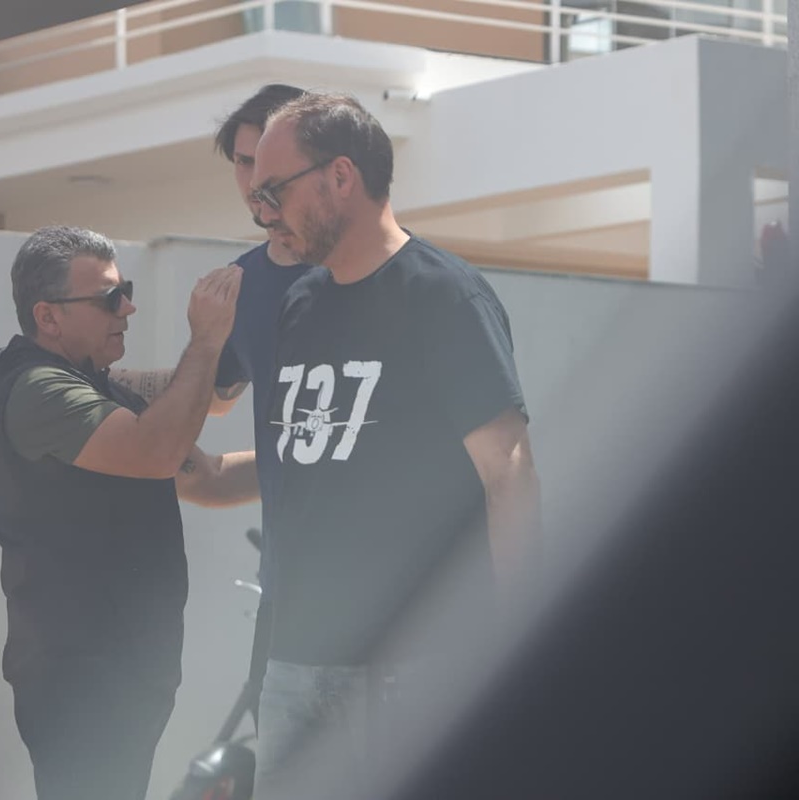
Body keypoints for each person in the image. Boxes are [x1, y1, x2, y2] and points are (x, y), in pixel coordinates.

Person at [249, 92, 541, 798]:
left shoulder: (444, 296)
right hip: (295, 662)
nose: (263, 214)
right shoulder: (299, 304)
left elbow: (508, 476)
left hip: (416, 664)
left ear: (340, 176)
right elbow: (312, 456)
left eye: (274, 191)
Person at [0, 226, 254, 800]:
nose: (127, 308)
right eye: (109, 297)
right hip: (80, 684)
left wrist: (313, 459)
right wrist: (205, 341)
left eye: (125, 291)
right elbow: (157, 451)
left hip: (123, 676)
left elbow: (208, 473)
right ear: (48, 316)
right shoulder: (38, 390)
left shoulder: (102, 386)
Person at [109, 84, 319, 727]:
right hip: (288, 605)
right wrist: (90, 386)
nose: (255, 182)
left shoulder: (380, 276)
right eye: (242, 162)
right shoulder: (245, 284)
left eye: (268, 163)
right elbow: (212, 397)